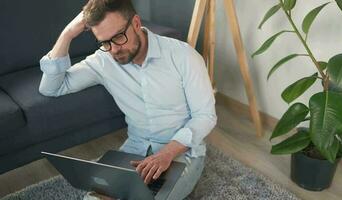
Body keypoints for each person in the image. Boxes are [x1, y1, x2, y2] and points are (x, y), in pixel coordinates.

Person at [39, 0, 216, 199]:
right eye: (105, 42)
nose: (113, 49)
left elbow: (205, 116)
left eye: (118, 37)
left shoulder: (184, 56)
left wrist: (166, 153)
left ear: (136, 23)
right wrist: (68, 33)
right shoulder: (103, 61)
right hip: (135, 148)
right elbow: (51, 88)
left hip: (182, 153)